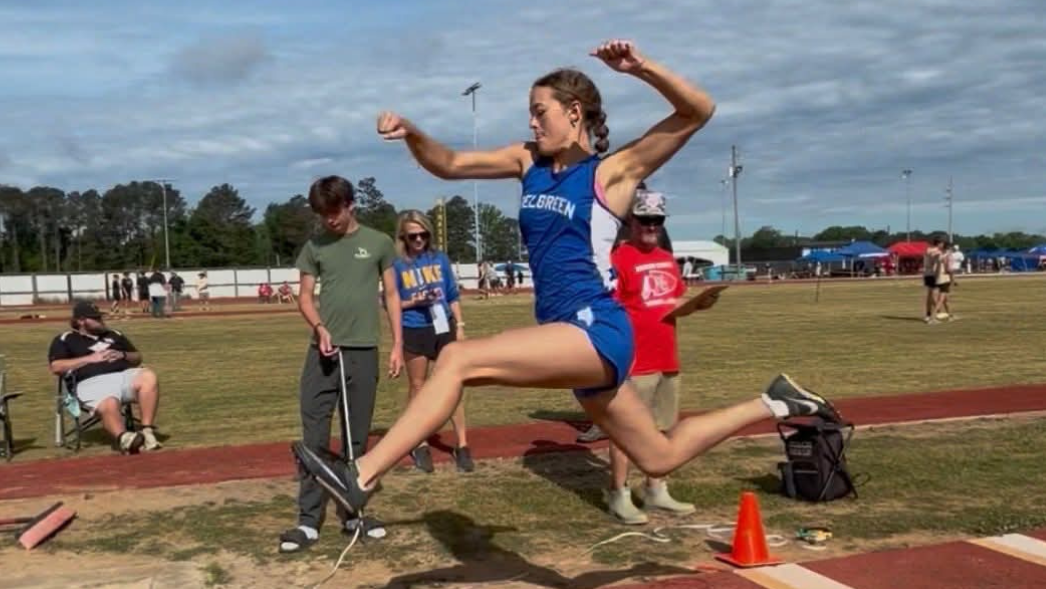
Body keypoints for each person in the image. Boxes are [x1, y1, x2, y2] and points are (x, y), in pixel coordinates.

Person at [293, 39, 841, 518]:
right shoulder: (526, 162)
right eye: (529, 114)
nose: (532, 124)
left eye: (540, 113)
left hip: (597, 327)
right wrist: (414, 132)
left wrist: (641, 68)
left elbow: (698, 111)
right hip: (566, 334)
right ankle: (774, 402)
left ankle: (362, 475)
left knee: (457, 358)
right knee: (658, 457)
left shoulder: (611, 172)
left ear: (574, 113)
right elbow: (451, 164)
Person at [280, 175, 403, 554]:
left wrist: (398, 344)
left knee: (356, 439)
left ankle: (353, 514)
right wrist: (320, 328)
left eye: (334, 211)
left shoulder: (379, 243)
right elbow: (304, 296)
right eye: (322, 214)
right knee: (314, 439)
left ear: (351, 205)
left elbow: (392, 294)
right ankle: (308, 521)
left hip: (363, 351)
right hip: (322, 354)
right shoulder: (315, 247)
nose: (329, 220)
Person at [604, 188, 717, 522]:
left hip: (667, 356)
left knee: (664, 427)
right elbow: (610, 307)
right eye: (645, 220)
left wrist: (698, 304)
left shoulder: (667, 259)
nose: (651, 226)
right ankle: (619, 494)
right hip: (634, 359)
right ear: (632, 221)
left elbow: (674, 302)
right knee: (625, 430)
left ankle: (656, 489)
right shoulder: (618, 258)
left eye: (657, 220)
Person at [392, 209, 474, 473]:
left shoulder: (440, 259)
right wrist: (414, 301)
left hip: (443, 326)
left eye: (423, 234)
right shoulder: (397, 265)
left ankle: (462, 444)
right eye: (413, 236)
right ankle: (419, 442)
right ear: (403, 237)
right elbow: (390, 302)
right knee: (418, 386)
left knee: (453, 383)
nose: (419, 240)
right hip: (414, 328)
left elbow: (452, 295)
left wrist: (460, 326)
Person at [48, 300, 162, 453]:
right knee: (109, 402)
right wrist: (89, 359)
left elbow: (137, 357)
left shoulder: (114, 335)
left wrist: (123, 355)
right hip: (90, 383)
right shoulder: (65, 339)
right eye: (95, 318)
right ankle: (125, 438)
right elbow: (56, 367)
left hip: (123, 376)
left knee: (148, 376)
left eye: (100, 316)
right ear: (81, 321)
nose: (101, 320)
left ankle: (147, 431)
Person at [922, 237, 944, 324]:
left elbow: (929, 254)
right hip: (932, 274)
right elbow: (935, 256)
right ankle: (935, 316)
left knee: (929, 295)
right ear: (939, 243)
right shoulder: (937, 251)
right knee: (934, 296)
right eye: (942, 243)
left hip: (926, 273)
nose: (943, 245)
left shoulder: (928, 249)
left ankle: (928, 315)